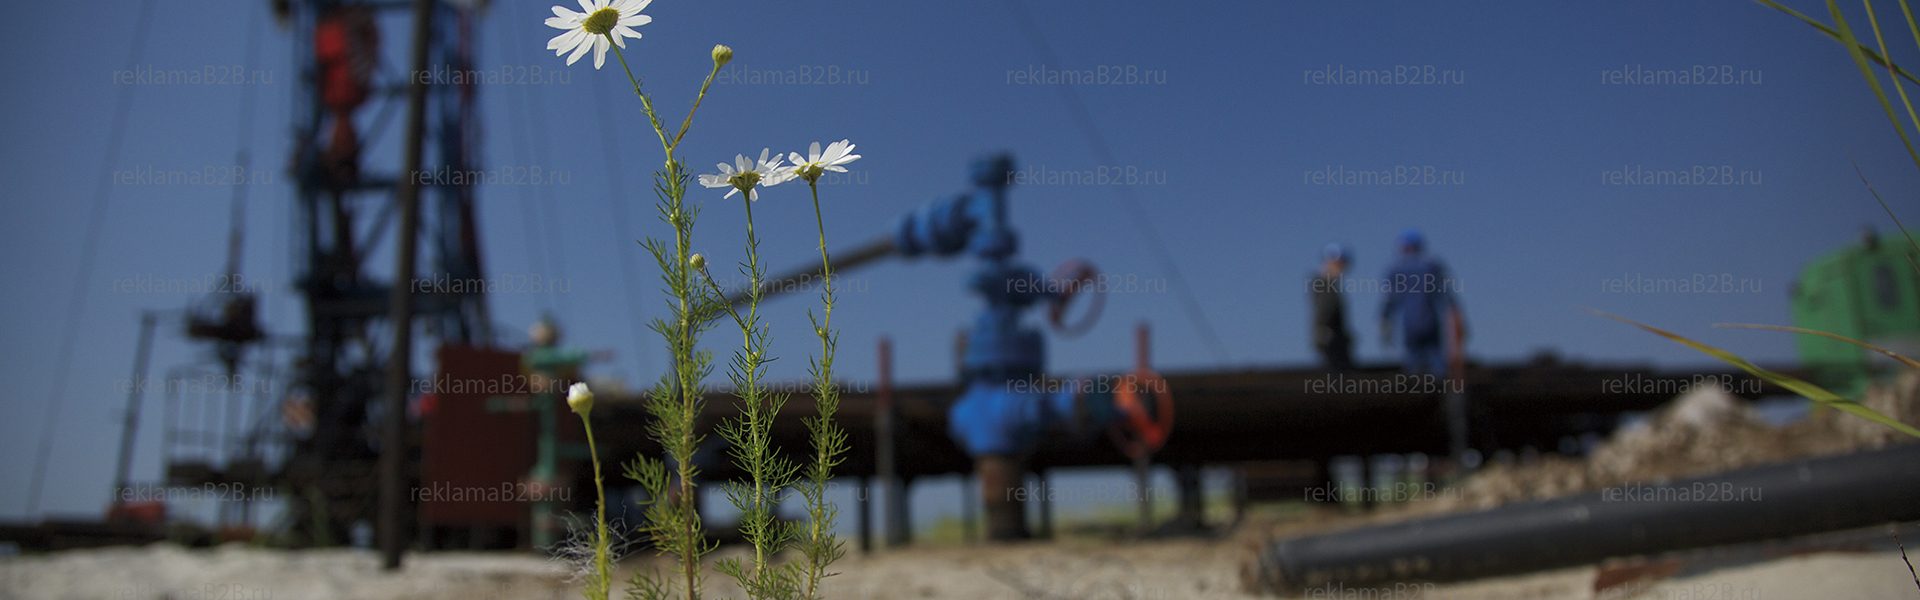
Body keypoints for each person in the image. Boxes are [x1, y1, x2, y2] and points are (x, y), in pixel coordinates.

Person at [1379, 229, 1465, 378]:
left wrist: (1385, 320)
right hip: (1430, 320)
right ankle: (1441, 391)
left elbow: (1390, 299)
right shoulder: (1432, 266)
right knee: (1436, 360)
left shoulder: (1396, 269)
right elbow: (1447, 295)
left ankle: (1416, 394)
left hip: (1410, 323)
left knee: (1413, 362)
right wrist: (1456, 315)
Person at [1308, 243, 1355, 371]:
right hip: (1331, 342)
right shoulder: (1323, 284)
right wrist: (1322, 330)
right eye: (1340, 264)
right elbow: (1324, 309)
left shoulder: (1329, 285)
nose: (1342, 268)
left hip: (1336, 341)